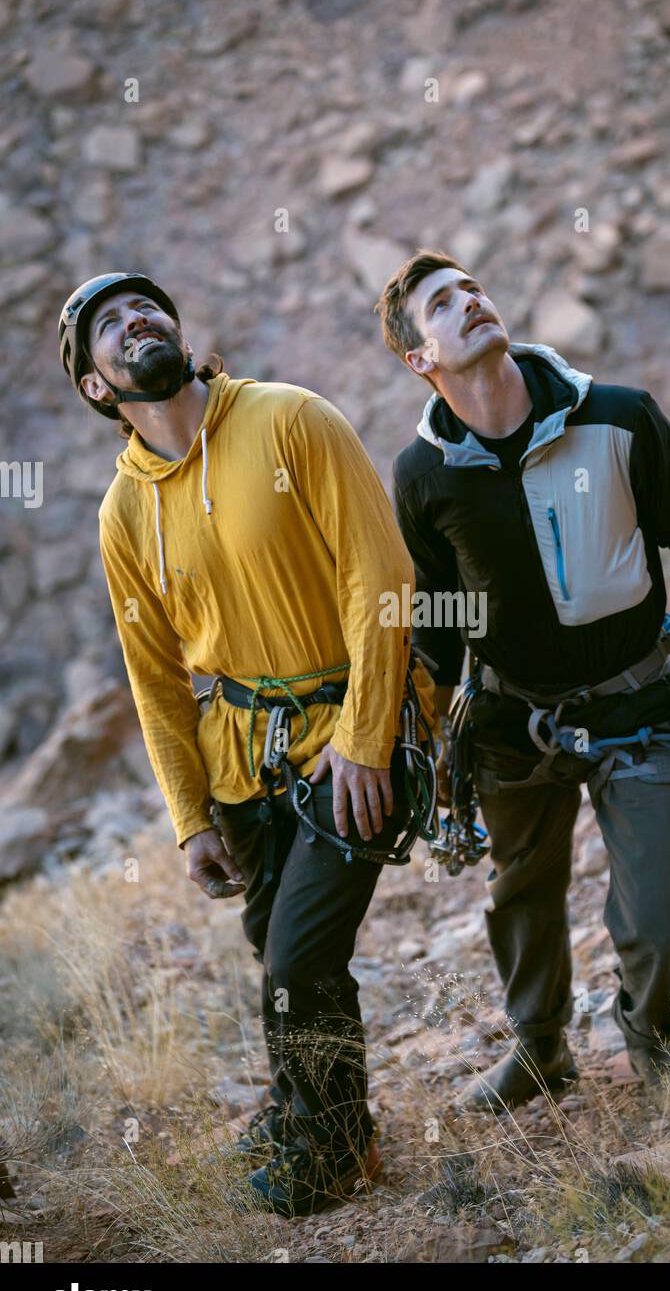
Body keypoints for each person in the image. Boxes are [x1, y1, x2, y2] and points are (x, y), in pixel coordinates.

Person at [58, 272, 438, 1213]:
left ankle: (333, 1147)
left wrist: (367, 737)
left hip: (351, 734)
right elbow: (154, 680)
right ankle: (299, 1103)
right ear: (98, 388)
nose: (134, 320)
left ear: (177, 332)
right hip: (240, 762)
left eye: (144, 307)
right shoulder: (120, 515)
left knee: (300, 953)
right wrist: (191, 818)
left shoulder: (288, 418)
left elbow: (382, 575)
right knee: (278, 942)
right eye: (108, 325)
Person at [375, 250, 670, 1109]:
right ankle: (541, 1049)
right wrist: (429, 728)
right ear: (419, 359)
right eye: (441, 303)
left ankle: (651, 1036)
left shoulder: (618, 415)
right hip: (510, 724)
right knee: (520, 897)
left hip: (642, 701)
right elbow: (436, 611)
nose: (470, 301)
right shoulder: (422, 475)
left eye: (472, 288)